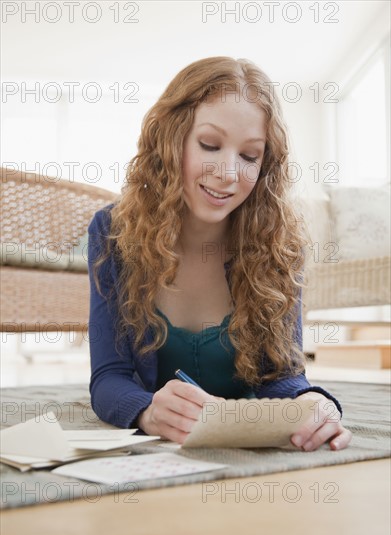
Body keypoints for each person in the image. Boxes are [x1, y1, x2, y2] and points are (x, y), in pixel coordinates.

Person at [87, 56, 352, 452]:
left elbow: (281, 377)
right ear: (170, 138)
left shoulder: (280, 244)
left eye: (249, 156)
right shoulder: (112, 232)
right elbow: (110, 376)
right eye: (210, 145)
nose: (229, 172)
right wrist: (146, 411)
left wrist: (313, 403)